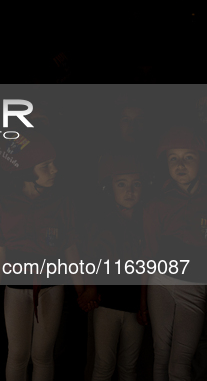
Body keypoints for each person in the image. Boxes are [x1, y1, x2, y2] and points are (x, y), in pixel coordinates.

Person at [0, 130, 97, 381]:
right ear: (26, 171)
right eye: (46, 165)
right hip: (15, 287)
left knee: (43, 354)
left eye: (53, 163)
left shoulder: (61, 201)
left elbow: (70, 248)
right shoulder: (2, 204)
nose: (55, 170)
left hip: (51, 286)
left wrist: (82, 290)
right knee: (17, 354)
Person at [142, 126, 207, 381]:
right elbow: (149, 251)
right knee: (161, 354)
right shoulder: (157, 203)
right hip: (161, 284)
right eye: (173, 158)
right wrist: (142, 297)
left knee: (180, 362)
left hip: (195, 287)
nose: (180, 164)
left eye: (188, 157)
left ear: (201, 160)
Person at [88, 152, 146, 381]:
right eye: (121, 184)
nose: (129, 191)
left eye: (136, 184)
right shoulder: (101, 222)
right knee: (103, 364)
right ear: (109, 188)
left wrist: (143, 303)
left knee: (129, 366)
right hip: (107, 304)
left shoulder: (147, 220)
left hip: (135, 305)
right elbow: (89, 260)